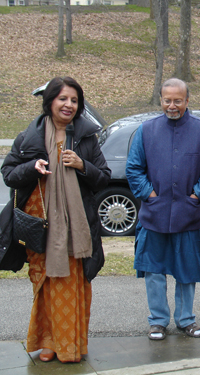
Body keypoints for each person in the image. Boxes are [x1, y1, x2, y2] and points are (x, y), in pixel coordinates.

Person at [0, 77, 111, 363]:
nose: (69, 105)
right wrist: (31, 167)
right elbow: (9, 173)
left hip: (76, 229)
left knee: (73, 285)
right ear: (50, 101)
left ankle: (71, 344)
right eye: (63, 99)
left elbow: (103, 178)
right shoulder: (29, 138)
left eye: (74, 100)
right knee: (46, 284)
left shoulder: (87, 138)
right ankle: (48, 342)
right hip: (41, 228)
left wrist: (82, 165)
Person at [125, 78, 200, 341]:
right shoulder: (146, 130)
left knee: (186, 271)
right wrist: (149, 194)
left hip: (188, 214)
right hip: (153, 214)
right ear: (161, 99)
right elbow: (133, 169)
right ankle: (157, 321)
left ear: (187, 101)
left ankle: (186, 319)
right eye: (167, 100)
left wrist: (196, 195)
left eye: (178, 100)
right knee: (153, 271)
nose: (172, 105)